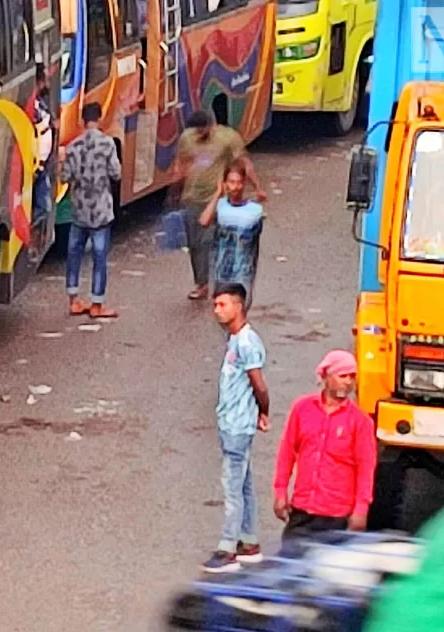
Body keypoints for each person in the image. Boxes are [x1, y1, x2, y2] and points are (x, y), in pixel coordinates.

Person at [273, 349, 377, 550]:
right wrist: (280, 491)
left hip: (336, 519)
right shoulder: (302, 409)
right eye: (342, 376)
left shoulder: (360, 422)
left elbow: (366, 468)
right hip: (302, 513)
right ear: (325, 377)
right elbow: (287, 452)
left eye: (352, 377)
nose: (348, 382)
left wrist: (361, 509)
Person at [205, 283, 270, 574]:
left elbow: (259, 384)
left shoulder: (246, 342)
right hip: (232, 423)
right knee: (244, 484)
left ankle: (227, 547)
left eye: (222, 304)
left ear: (238, 306)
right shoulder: (235, 340)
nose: (217, 310)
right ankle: (249, 541)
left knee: (232, 487)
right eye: (216, 305)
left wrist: (263, 411)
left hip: (238, 426)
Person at [174, 110, 264, 302]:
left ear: (210, 125)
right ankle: (201, 282)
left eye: (201, 130)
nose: (197, 134)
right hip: (191, 197)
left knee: (210, 241)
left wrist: (257, 187)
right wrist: (174, 190)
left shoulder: (227, 138)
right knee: (194, 244)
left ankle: (218, 284)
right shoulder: (187, 138)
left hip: (217, 199)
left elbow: (244, 163)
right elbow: (181, 164)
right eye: (195, 131)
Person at [61, 103, 122, 319]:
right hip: (102, 210)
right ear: (100, 118)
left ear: (82, 120)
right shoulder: (108, 144)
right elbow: (116, 173)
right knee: (99, 256)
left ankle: (73, 300)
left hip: (79, 209)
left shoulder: (73, 147)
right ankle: (97, 304)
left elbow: (65, 177)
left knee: (74, 253)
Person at [200, 165, 265, 306]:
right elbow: (204, 221)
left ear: (244, 184)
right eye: (231, 182)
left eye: (239, 182)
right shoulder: (220, 206)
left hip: (243, 273)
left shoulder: (254, 211)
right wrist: (217, 194)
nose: (235, 187)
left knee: (239, 310)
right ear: (224, 184)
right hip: (220, 272)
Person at [26, 63, 56, 230]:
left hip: (41, 162)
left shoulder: (39, 102)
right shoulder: (32, 105)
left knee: (44, 206)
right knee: (43, 207)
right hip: (36, 165)